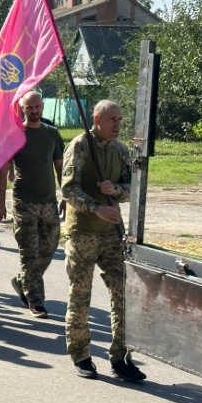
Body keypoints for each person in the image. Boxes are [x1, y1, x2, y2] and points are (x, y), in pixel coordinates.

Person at [61, 100, 145, 383]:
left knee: (123, 293)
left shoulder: (121, 150)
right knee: (81, 294)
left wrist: (116, 190)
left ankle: (121, 357)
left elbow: (132, 188)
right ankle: (81, 354)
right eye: (112, 119)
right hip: (83, 231)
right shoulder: (80, 146)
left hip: (111, 233)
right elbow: (68, 189)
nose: (117, 124)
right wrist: (96, 206)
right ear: (97, 119)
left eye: (120, 119)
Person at [6, 91, 64, 318]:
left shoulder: (52, 134)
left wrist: (66, 196)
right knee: (29, 252)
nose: (34, 110)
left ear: (42, 106)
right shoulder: (15, 133)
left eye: (37, 106)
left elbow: (60, 167)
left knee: (48, 249)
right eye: (29, 107)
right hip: (24, 201)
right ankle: (35, 300)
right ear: (22, 108)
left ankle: (23, 281)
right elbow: (3, 168)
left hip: (48, 200)